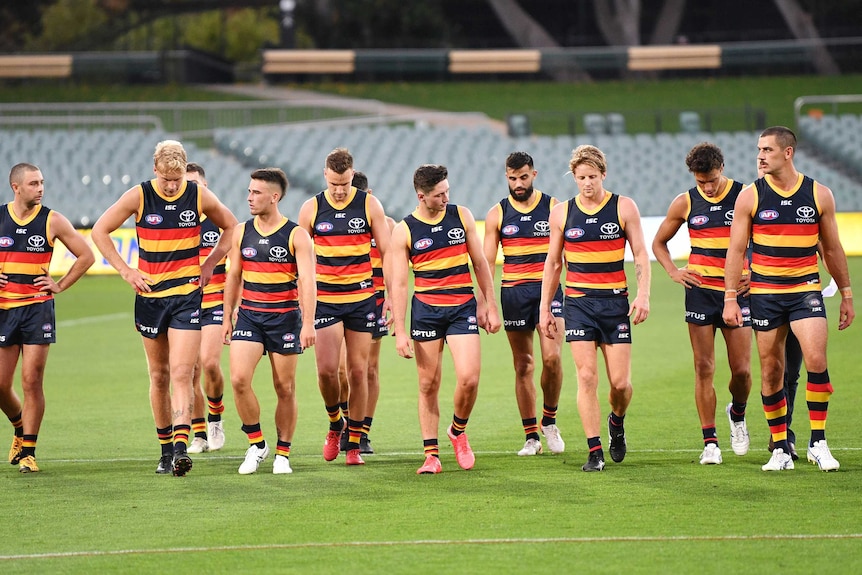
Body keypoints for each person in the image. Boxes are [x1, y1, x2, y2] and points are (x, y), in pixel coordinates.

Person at [91, 140, 238, 476]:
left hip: (186, 296)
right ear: (154, 169)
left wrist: (210, 264)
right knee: (159, 376)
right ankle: (165, 448)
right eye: (166, 179)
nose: (172, 185)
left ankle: (182, 449)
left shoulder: (198, 195)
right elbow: (100, 230)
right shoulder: (139, 195)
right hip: (150, 298)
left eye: (177, 179)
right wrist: (126, 270)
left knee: (183, 373)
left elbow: (231, 226)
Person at [723, 126, 854, 472]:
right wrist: (730, 297)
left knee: (815, 360)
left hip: (805, 290)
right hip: (765, 295)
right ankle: (780, 447)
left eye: (766, 149)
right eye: (758, 150)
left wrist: (847, 294)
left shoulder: (819, 194)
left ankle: (818, 442)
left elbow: (832, 248)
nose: (760, 156)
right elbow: (736, 250)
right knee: (771, 372)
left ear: (787, 153)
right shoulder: (750, 196)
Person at [539, 145, 650, 472]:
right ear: (573, 177)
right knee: (586, 377)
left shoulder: (623, 207)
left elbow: (641, 254)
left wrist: (642, 295)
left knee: (619, 384)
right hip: (578, 304)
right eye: (580, 177)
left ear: (603, 174)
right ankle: (594, 450)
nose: (587, 183)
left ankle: (616, 421)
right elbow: (553, 262)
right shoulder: (562, 213)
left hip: (614, 304)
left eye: (592, 177)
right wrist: (546, 307)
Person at [389, 164, 501, 475]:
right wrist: (400, 331)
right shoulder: (405, 230)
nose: (446, 198)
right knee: (428, 384)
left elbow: (479, 262)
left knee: (469, 378)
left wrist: (490, 305)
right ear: (421, 196)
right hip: (426, 311)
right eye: (439, 195)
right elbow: (399, 284)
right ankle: (431, 455)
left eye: (447, 191)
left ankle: (457, 430)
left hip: (462, 307)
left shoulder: (461, 215)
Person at [651, 143, 752, 465]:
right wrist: (673, 271)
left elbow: (768, 237)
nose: (707, 187)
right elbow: (659, 242)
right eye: (700, 181)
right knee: (704, 366)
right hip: (700, 290)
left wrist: (759, 272)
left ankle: (737, 413)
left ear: (721, 167)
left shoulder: (745, 196)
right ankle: (710, 442)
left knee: (742, 371)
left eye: (711, 179)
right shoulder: (685, 202)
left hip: (738, 291)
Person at [297, 148, 391, 466]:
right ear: (325, 174)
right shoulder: (311, 209)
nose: (340, 190)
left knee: (358, 371)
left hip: (362, 299)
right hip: (325, 300)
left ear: (353, 175)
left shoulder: (369, 205)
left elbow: (388, 253)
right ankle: (335, 421)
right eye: (335, 183)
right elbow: (300, 261)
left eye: (346, 183)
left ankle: (353, 442)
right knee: (326, 371)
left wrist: (389, 293)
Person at [1, 163, 94, 473]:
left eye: (42, 182)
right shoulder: (1, 217)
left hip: (37, 309)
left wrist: (60, 284)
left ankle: (29, 450)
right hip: (4, 311)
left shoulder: (52, 220)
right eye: (33, 183)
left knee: (31, 381)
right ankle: (18, 425)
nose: (40, 188)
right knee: (1, 385)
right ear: (16, 187)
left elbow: (86, 255)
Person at [221, 168, 316, 475]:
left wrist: (308, 323)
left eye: (256, 192)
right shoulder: (241, 231)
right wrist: (226, 316)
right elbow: (233, 276)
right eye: (249, 191)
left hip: (285, 319)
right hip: (250, 316)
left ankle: (283, 454)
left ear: (274, 197)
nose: (249, 197)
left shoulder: (296, 235)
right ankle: (257, 444)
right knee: (238, 379)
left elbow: (308, 282)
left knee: (284, 387)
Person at [483, 152, 566, 457]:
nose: (518, 184)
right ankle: (531, 435)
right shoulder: (497, 213)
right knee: (523, 364)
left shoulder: (554, 208)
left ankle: (550, 420)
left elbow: (565, 255)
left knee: (552, 359)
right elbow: (486, 263)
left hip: (550, 294)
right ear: (507, 177)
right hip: (514, 295)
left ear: (535, 174)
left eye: (523, 177)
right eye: (512, 178)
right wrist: (487, 304)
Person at [336, 171, 395, 454]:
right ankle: (344, 422)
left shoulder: (387, 226)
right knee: (339, 371)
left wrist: (392, 299)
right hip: (339, 299)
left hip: (374, 300)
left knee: (368, 368)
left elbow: (394, 266)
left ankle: (362, 432)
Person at [184, 163, 227, 454]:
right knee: (189, 371)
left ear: (206, 186)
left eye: (196, 184)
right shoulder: (176, 222)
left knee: (209, 363)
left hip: (216, 302)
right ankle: (198, 433)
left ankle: (215, 417)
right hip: (185, 304)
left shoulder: (220, 222)